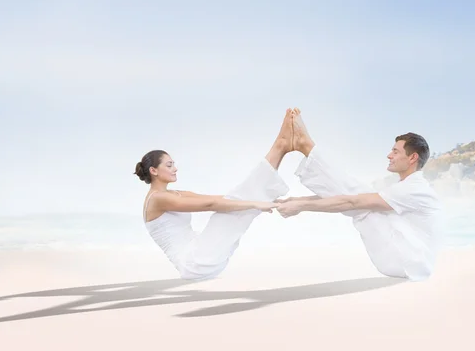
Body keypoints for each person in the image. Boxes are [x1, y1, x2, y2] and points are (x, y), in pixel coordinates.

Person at [277, 109, 443, 281]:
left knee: (362, 201)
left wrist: (301, 206)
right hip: (409, 260)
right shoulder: (409, 186)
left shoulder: (414, 188)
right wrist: (298, 200)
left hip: (408, 262)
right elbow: (352, 200)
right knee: (363, 198)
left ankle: (306, 146)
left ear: (412, 158)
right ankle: (307, 147)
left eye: (395, 151)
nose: (389, 155)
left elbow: (352, 202)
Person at [134, 109, 294, 281]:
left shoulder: (174, 194)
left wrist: (257, 201)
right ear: (153, 170)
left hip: (200, 255)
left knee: (235, 202)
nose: (175, 168)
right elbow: (209, 206)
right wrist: (255, 204)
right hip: (194, 262)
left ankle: (282, 146)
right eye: (169, 165)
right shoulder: (158, 199)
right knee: (233, 208)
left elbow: (217, 199)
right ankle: (281, 145)